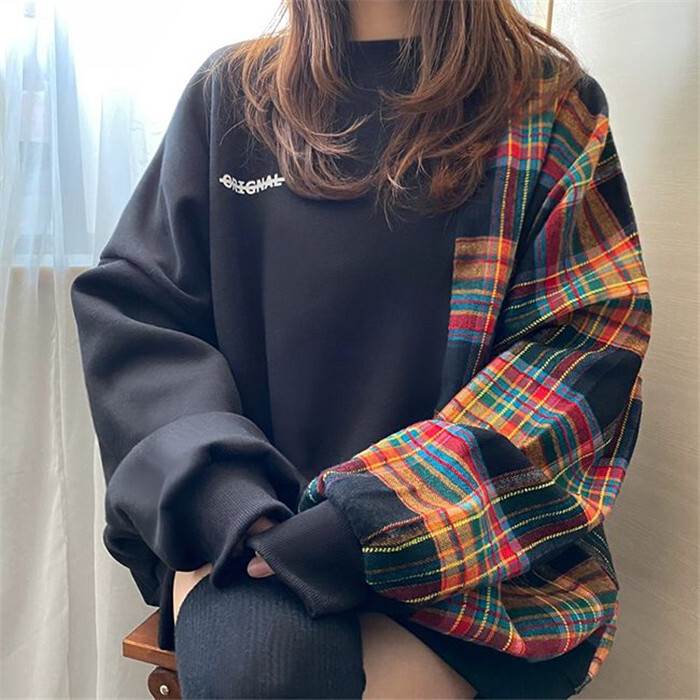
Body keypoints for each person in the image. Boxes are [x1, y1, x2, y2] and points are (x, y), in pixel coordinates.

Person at [70, 0, 652, 698]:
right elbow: (140, 310)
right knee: (262, 671)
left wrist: (370, 522)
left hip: (466, 553)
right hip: (247, 533)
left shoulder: (546, 107)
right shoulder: (231, 96)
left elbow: (584, 347)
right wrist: (221, 494)